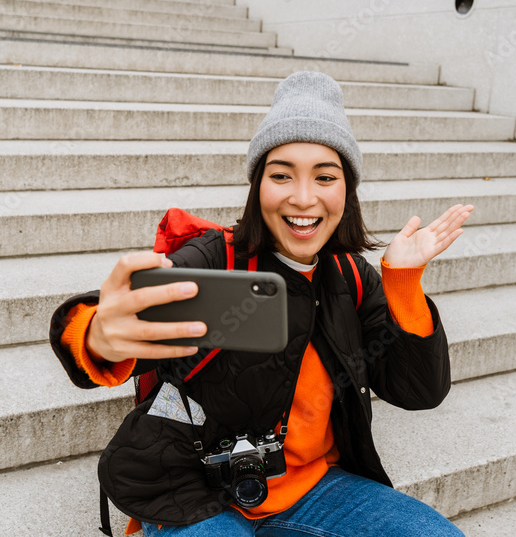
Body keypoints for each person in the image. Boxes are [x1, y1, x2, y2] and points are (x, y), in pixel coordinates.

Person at [50, 71, 472, 536]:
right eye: (281, 175)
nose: (304, 197)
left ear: (346, 191)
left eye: (325, 176)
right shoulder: (216, 258)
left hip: (316, 488)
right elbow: (118, 316)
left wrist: (404, 282)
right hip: (195, 489)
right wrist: (95, 335)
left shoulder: (351, 278)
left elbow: (420, 391)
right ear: (258, 186)